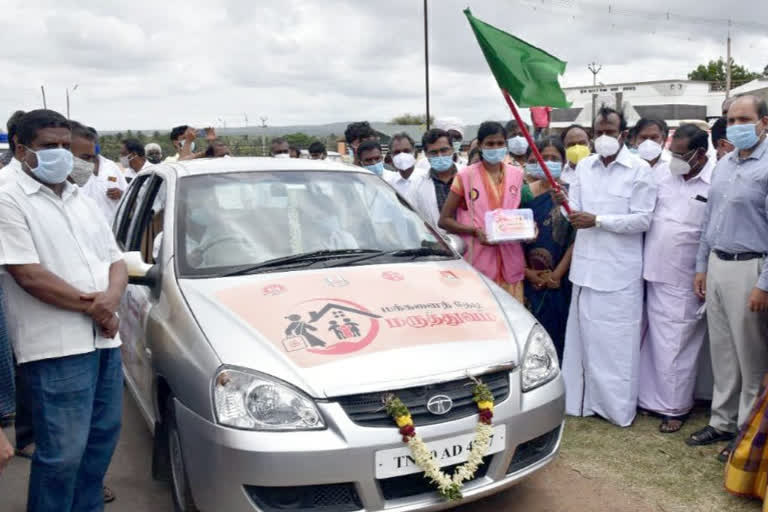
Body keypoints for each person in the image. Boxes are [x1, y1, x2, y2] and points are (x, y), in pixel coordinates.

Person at [0, 109, 127, 511]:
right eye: (48, 147)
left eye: (65, 147)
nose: (61, 155)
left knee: (100, 442)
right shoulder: (6, 195)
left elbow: (116, 261)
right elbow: (28, 274)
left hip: (105, 342)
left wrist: (109, 302)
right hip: (54, 347)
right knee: (63, 454)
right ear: (21, 149)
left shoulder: (76, 194)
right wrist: (100, 310)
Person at [557, 106, 657, 427]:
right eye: (598, 131)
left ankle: (615, 408)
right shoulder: (583, 167)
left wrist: (597, 220)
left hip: (619, 272)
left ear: (623, 134)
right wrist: (566, 207)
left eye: (610, 132)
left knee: (616, 345)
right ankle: (582, 403)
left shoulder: (639, 169)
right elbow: (575, 214)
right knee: (583, 340)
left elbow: (642, 219)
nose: (603, 137)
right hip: (586, 270)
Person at [688, 95, 768, 461]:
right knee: (721, 350)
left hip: (751, 267)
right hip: (718, 264)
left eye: (743, 119)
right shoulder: (724, 165)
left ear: (763, 122)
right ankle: (721, 420)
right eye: (730, 119)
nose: (735, 125)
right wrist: (701, 266)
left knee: (750, 355)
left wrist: (764, 283)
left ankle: (746, 430)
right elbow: (709, 223)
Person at [639, 124, 714, 433]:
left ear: (700, 154)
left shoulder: (715, 180)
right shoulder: (663, 176)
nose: (675, 159)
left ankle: (675, 407)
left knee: (678, 343)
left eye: (681, 154)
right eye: (673, 153)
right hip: (654, 271)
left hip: (687, 276)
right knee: (654, 341)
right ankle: (650, 399)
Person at [439, 121, 532, 302]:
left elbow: (519, 213)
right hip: (478, 258)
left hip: (511, 259)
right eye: (490, 144)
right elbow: (444, 220)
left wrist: (528, 228)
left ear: (506, 145)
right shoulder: (465, 176)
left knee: (511, 320)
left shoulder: (517, 174)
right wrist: (474, 231)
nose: (495, 148)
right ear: (480, 145)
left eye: (499, 143)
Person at [523, 137, 574, 360]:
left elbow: (577, 238)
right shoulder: (523, 194)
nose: (548, 162)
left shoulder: (572, 193)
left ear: (564, 163)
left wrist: (557, 274)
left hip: (562, 280)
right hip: (527, 278)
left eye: (555, 158)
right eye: (544, 158)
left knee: (562, 334)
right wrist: (527, 273)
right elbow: (512, 237)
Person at [69, 122, 128, 224]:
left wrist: (121, 194)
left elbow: (128, 193)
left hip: (114, 226)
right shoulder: (75, 170)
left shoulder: (111, 166)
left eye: (95, 142)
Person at [410, 128, 462, 233]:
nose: (440, 156)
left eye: (444, 150)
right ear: (426, 154)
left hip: (470, 242)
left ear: (452, 149)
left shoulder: (468, 176)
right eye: (434, 152)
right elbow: (416, 222)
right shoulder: (417, 185)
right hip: (439, 245)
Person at [384, 132, 424, 198]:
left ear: (414, 152)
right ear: (391, 155)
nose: (402, 155)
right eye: (397, 152)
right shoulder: (389, 184)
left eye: (406, 151)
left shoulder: (426, 180)